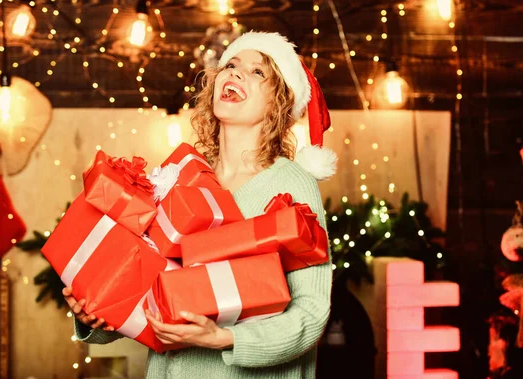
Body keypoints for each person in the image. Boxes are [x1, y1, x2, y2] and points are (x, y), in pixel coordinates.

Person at [63, 31, 336, 379]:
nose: (235, 73)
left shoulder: (293, 183)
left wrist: (225, 338)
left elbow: (311, 312)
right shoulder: (179, 174)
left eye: (257, 72)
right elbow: (145, 292)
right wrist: (94, 318)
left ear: (279, 102)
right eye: (231, 65)